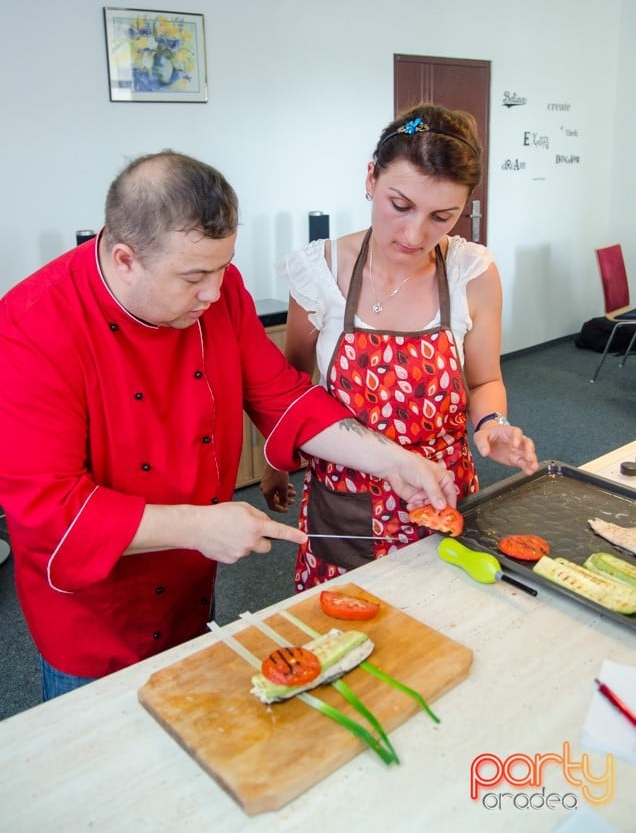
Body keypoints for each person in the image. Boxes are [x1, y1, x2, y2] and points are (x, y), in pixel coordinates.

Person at [0, 150, 457, 701]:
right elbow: (51, 511)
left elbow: (286, 398)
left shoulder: (218, 292)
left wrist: (395, 460)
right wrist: (199, 526)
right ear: (125, 259)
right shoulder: (30, 329)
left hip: (192, 585)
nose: (215, 293)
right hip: (97, 613)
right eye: (194, 276)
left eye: (224, 267)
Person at [260, 104, 538, 591]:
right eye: (400, 205)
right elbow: (290, 391)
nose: (414, 235)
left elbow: (485, 380)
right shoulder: (319, 272)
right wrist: (273, 467)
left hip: (444, 495)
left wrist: (493, 423)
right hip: (346, 504)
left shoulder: (471, 273)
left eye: (441, 217)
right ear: (371, 178)